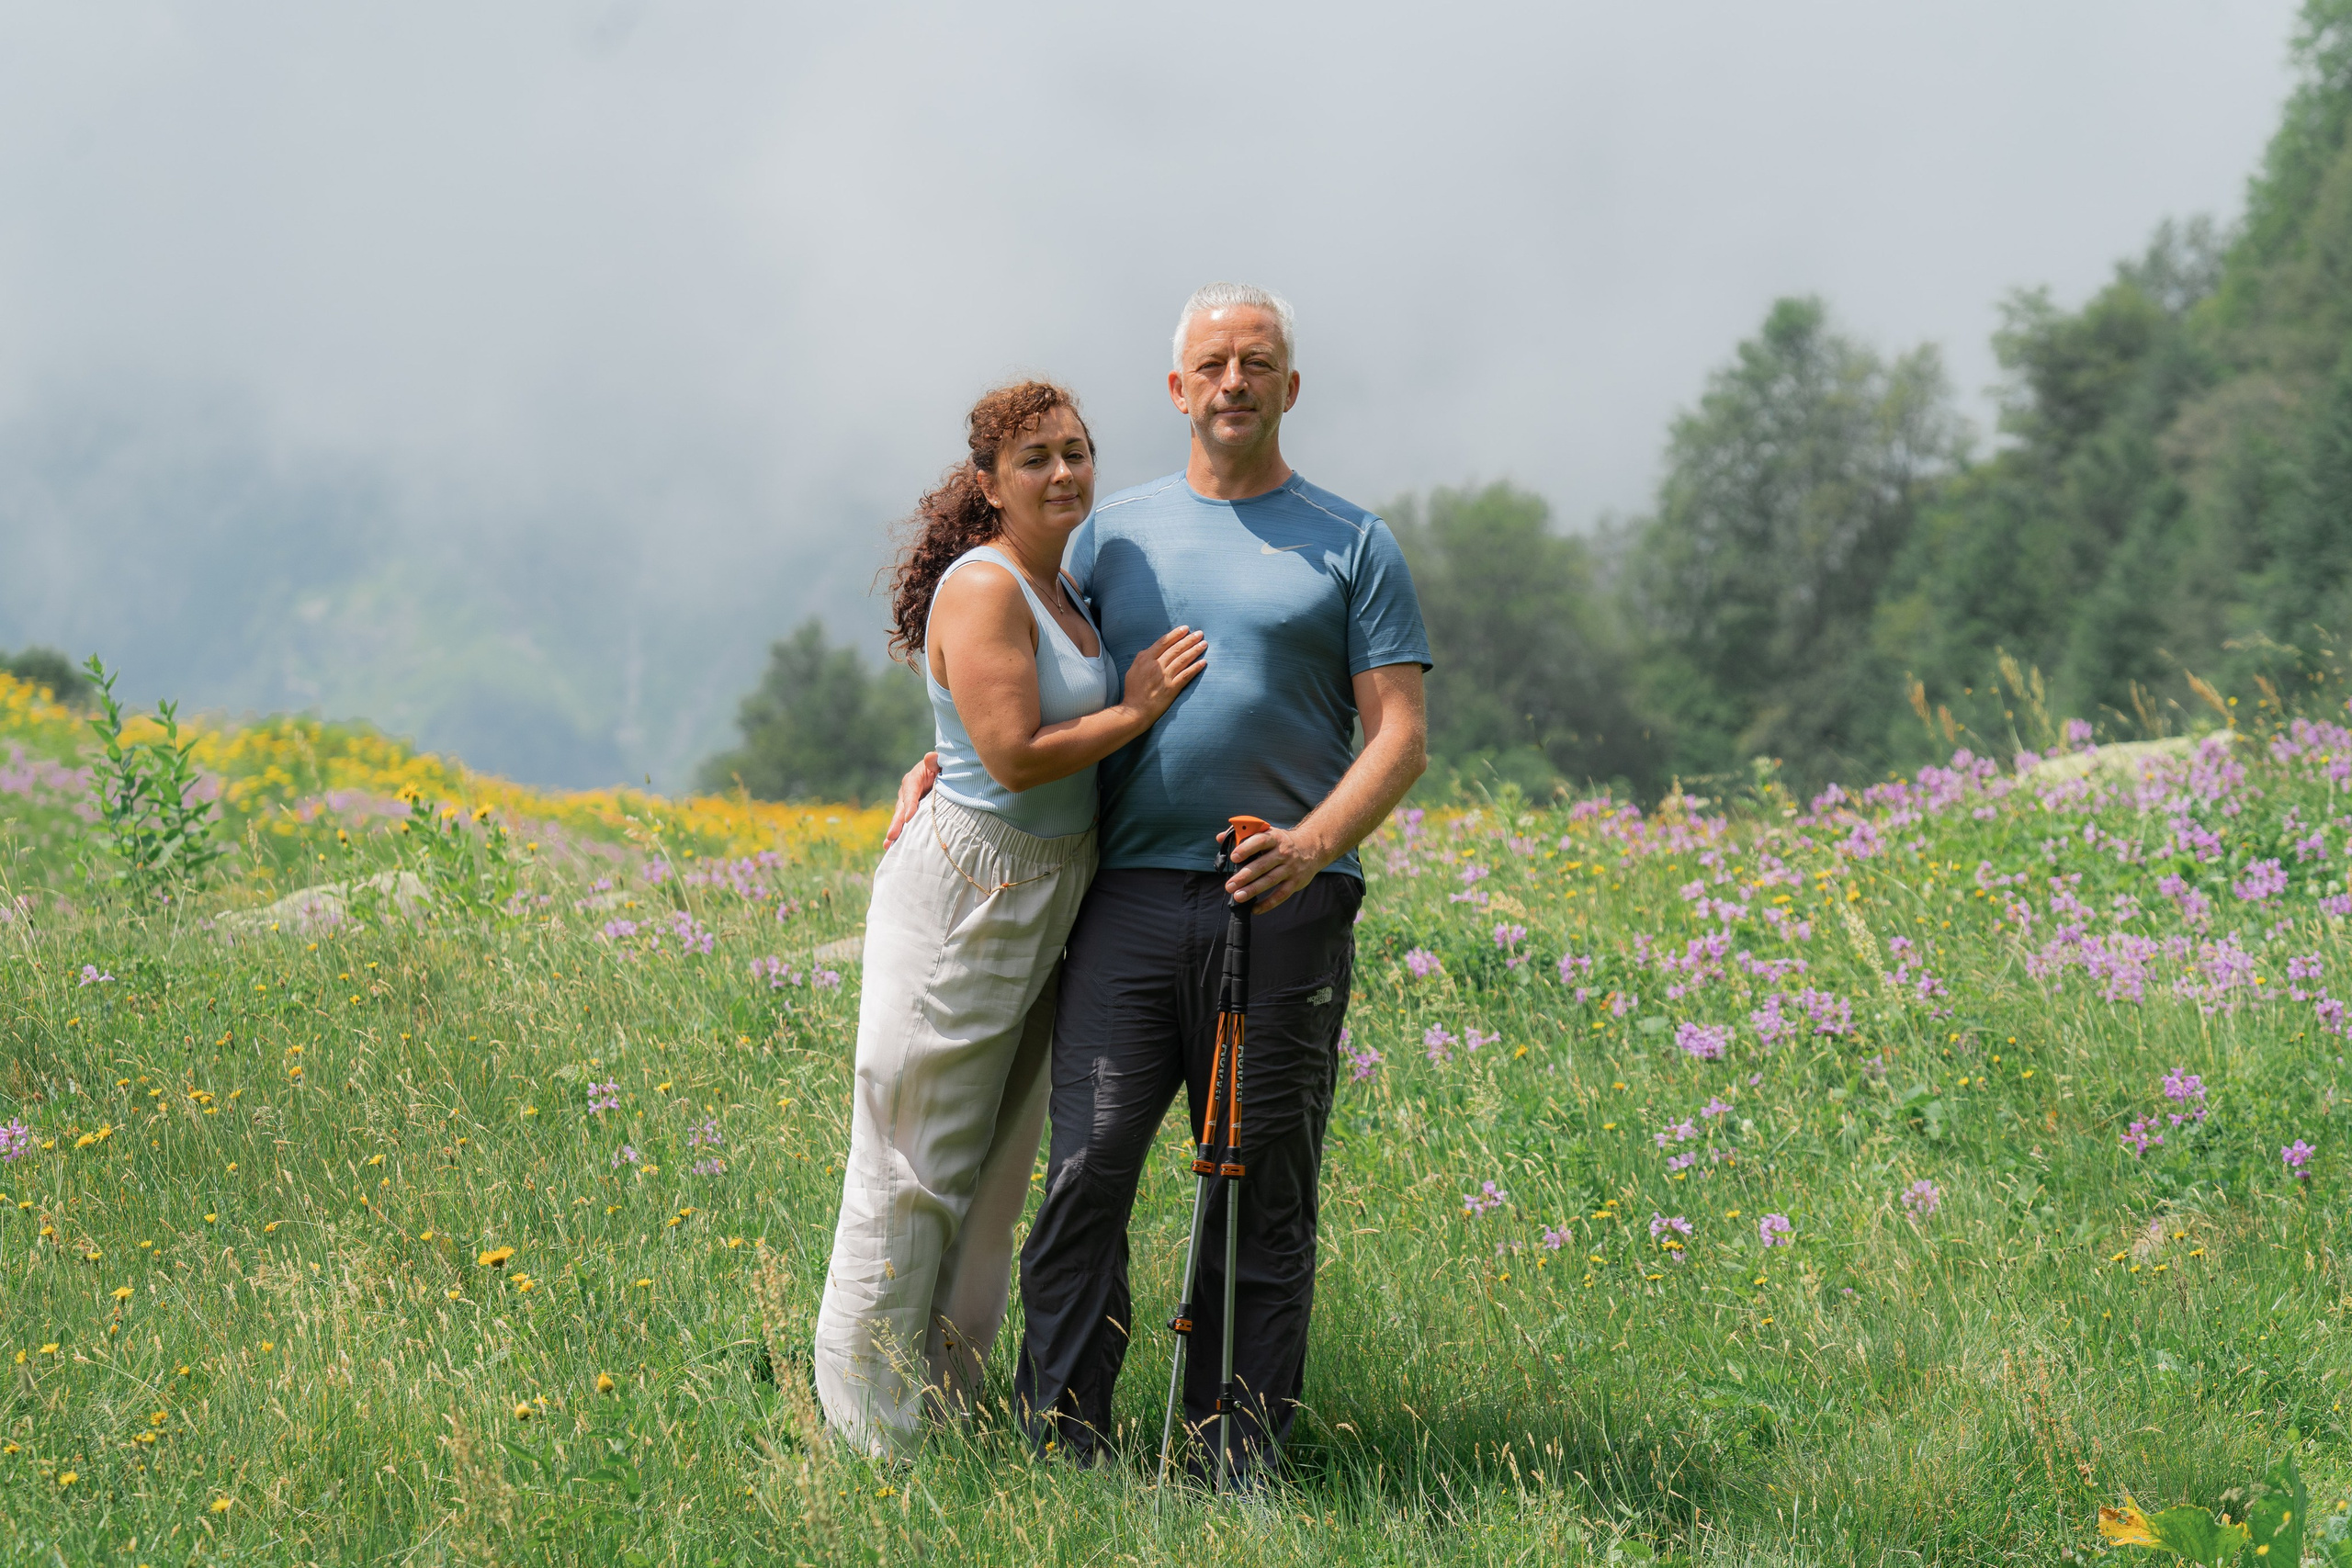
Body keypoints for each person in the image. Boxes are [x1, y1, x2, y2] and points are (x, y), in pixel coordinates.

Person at [885, 283, 1429, 1481]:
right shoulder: (1109, 535)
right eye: (1213, 362)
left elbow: (1399, 733)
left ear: (1291, 388)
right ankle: (1063, 1439)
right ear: (1179, 390)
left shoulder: (1354, 542)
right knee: (1085, 1171)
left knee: (1261, 1184)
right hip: (1126, 899)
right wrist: (946, 756)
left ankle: (1228, 1454)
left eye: (1259, 362)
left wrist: (1312, 845)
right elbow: (1028, 674)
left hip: (1284, 905)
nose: (1235, 380)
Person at [813, 379, 1208, 1457]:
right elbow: (1016, 752)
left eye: (1076, 451)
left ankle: (944, 1405)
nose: (1065, 472)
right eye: (1035, 458)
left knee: (993, 1169)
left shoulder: (1062, 583)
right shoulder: (985, 585)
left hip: (1051, 884)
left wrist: (938, 752)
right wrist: (1136, 709)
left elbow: (979, 730)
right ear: (989, 484)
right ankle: (868, 1437)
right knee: (910, 1165)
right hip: (972, 888)